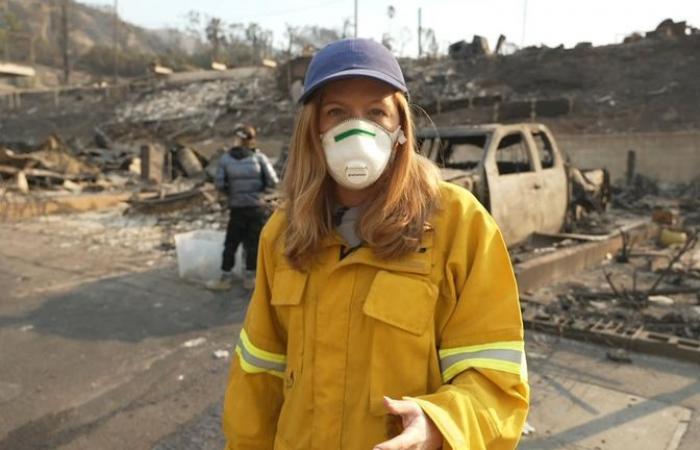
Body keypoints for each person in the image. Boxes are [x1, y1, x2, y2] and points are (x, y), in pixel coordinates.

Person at [222, 39, 529, 449]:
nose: (357, 129)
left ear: (400, 128)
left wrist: (441, 424)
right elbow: (258, 375)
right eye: (337, 113)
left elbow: (496, 379)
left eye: (375, 113)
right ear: (314, 129)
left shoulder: (459, 225)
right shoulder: (284, 232)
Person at [209, 124, 278, 291]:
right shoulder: (259, 158)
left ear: (236, 139)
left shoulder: (225, 159)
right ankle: (251, 278)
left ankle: (225, 278)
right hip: (256, 207)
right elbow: (273, 181)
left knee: (231, 243)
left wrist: (232, 193)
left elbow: (219, 184)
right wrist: (258, 190)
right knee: (253, 243)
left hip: (237, 207)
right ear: (251, 140)